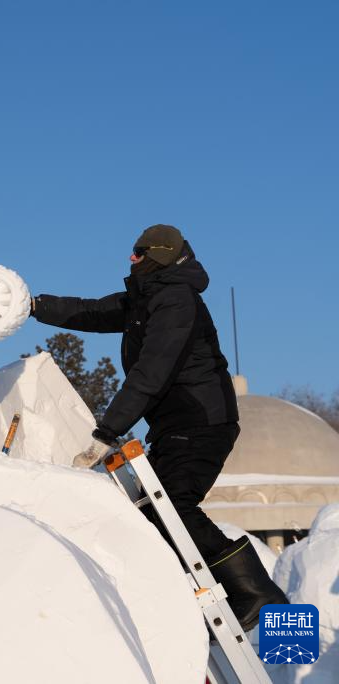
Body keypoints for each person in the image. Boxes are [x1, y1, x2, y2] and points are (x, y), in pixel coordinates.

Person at [30, 224, 287, 631]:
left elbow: (152, 372)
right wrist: (33, 306)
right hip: (175, 425)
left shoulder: (176, 301)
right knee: (154, 510)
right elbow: (91, 311)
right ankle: (201, 596)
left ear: (159, 255)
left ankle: (255, 593)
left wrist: (108, 430)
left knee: (174, 505)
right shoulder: (147, 298)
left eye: (139, 251)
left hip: (202, 421)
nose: (130, 257)